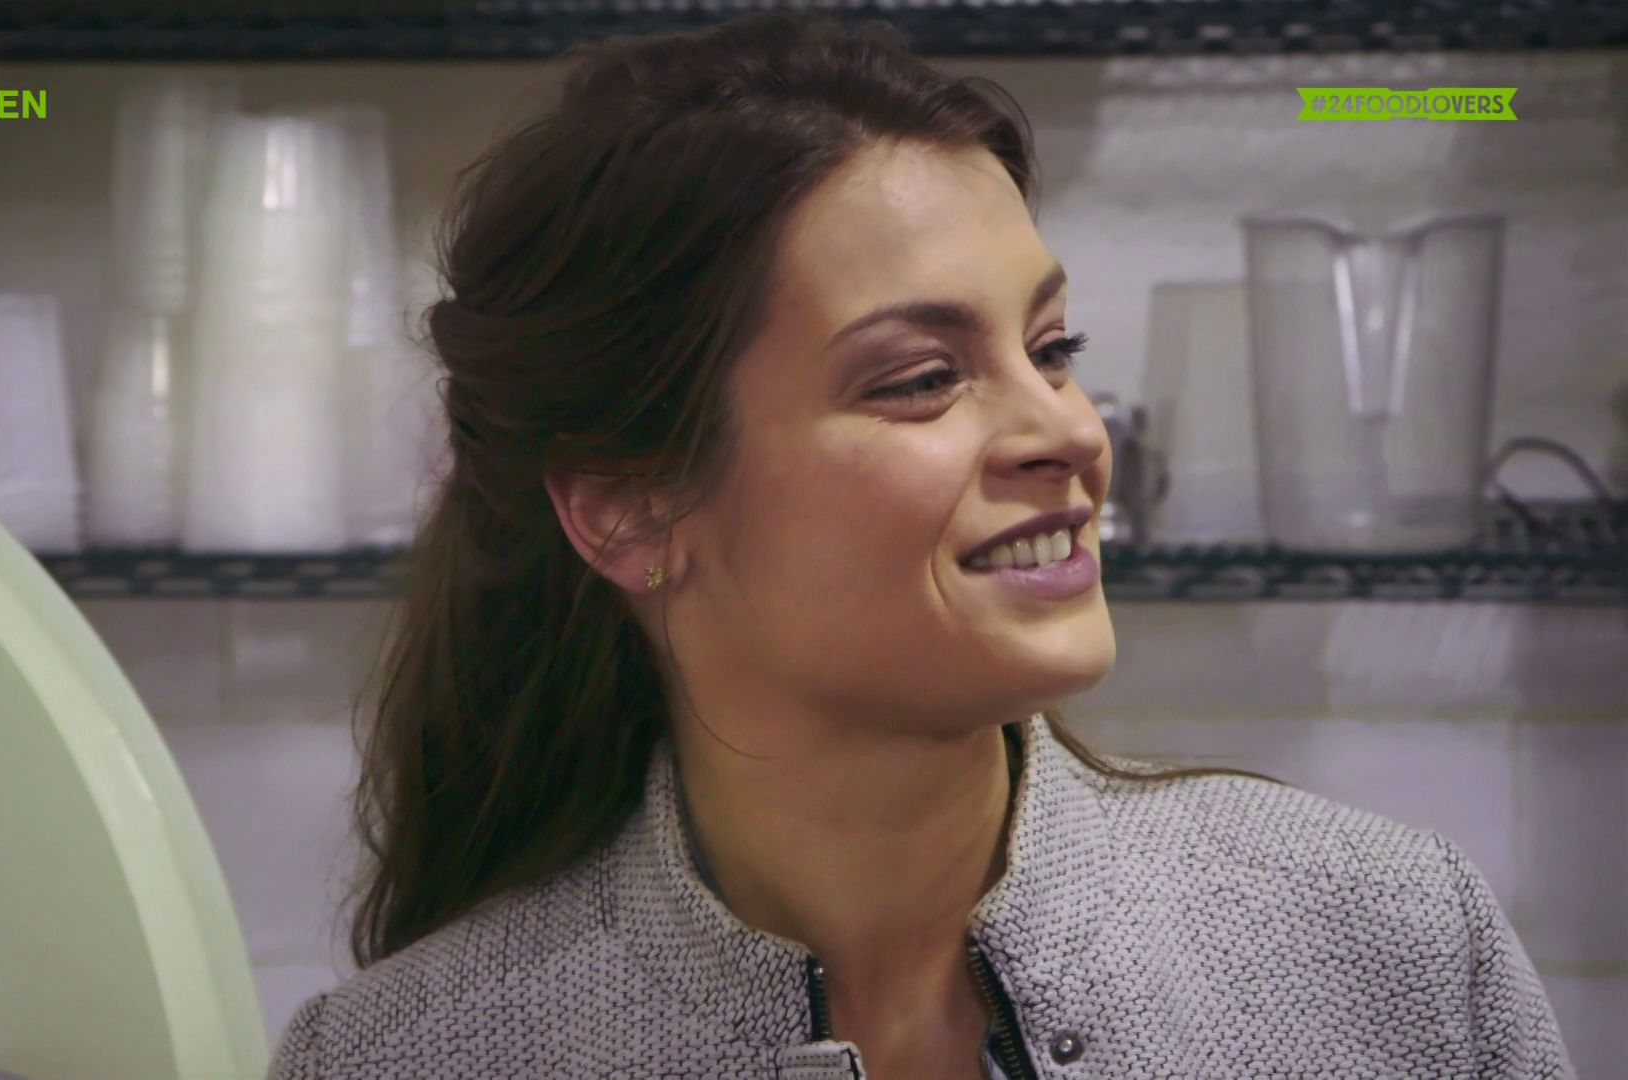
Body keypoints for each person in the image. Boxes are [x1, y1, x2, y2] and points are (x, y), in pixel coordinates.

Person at [270, 12, 1570, 1078]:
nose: (1066, 429)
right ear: (628, 508)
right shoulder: (401, 1058)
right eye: (922, 378)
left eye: (1052, 348)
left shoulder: (1396, 949)